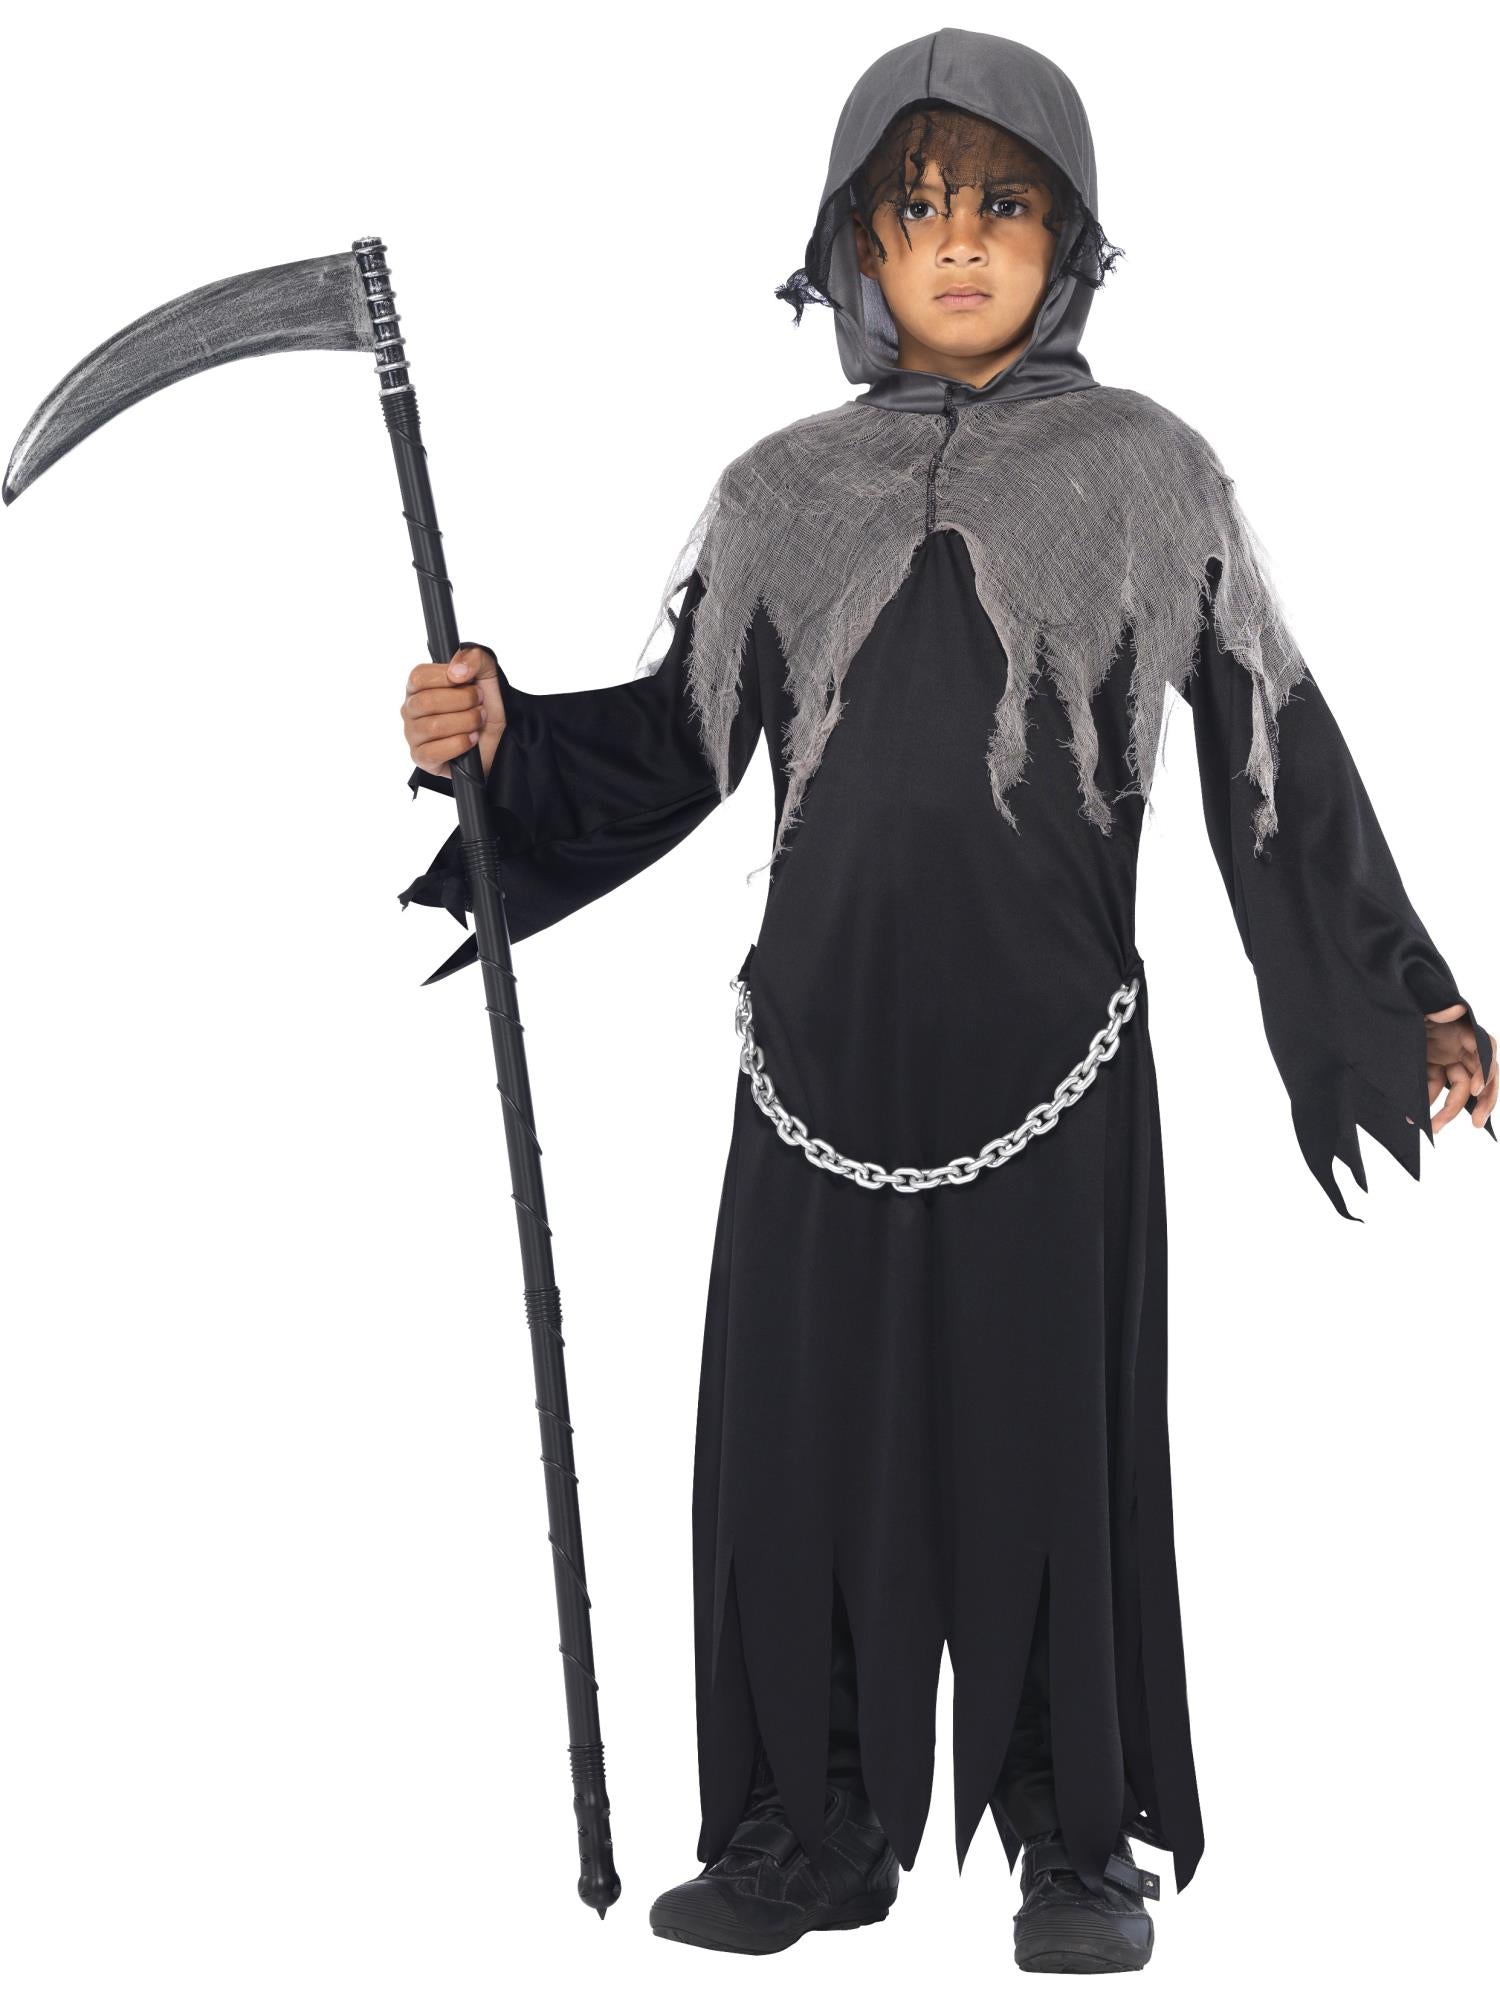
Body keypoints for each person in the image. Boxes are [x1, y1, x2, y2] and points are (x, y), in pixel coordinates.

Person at [397, 29, 1496, 1975]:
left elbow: (1275, 757)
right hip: (811, 1070)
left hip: (1047, 1071)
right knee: (793, 1449)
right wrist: (501, 740)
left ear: (1068, 243)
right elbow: (673, 747)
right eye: (917, 211)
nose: (960, 242)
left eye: (1002, 205)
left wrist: (1403, 1000)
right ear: (856, 249)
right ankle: (800, 1830)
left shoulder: (1150, 473)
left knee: (1046, 1454)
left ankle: (1079, 1842)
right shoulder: (779, 493)